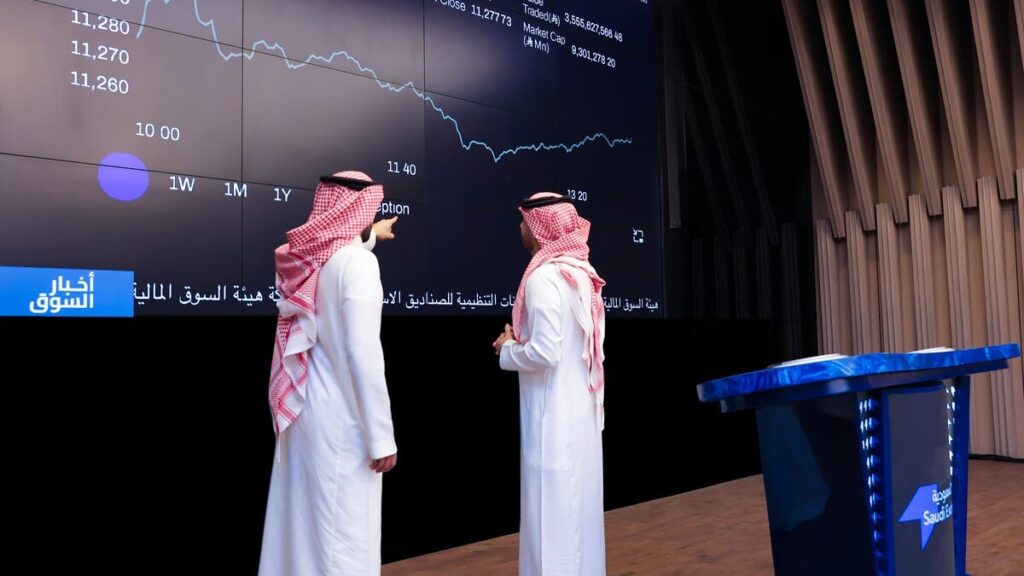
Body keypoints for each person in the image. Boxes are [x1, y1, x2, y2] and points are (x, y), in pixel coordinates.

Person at [259, 171, 399, 576]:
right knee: (344, 540)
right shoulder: (359, 265)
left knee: (307, 531)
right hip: (343, 421)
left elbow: (338, 251)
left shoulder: (307, 260)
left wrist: (370, 236)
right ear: (360, 209)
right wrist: (381, 437)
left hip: (304, 412)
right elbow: (362, 352)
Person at [493, 192, 608, 576]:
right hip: (580, 418)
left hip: (553, 419)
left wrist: (508, 349)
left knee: (551, 521)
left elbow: (546, 352)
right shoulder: (581, 274)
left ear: (540, 228)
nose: (521, 228)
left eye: (525, 221)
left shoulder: (544, 278)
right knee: (578, 520)